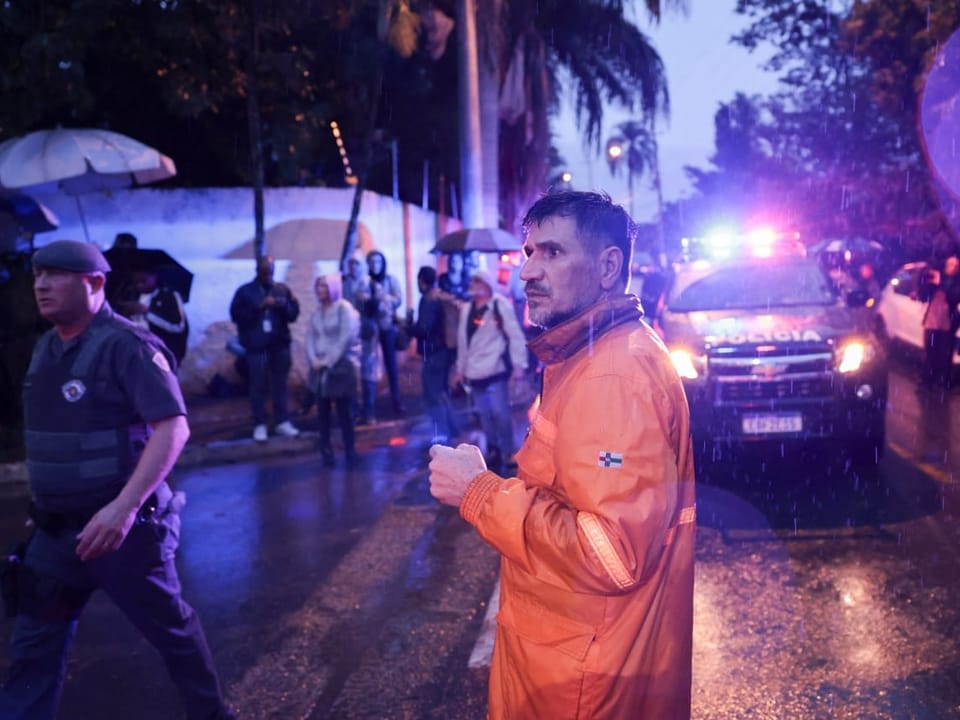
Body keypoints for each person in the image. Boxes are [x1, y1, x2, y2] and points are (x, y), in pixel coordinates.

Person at [428, 192, 696, 719]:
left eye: (551, 253)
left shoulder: (613, 375)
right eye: (528, 252)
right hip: (574, 664)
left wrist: (480, 492)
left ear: (608, 266)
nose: (528, 271)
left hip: (583, 686)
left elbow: (611, 555)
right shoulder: (589, 355)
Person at [0, 240, 234, 720]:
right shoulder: (45, 347)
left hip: (121, 534)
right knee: (30, 653)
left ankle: (211, 715)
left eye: (57, 275)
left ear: (95, 283)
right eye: (38, 275)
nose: (41, 285)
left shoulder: (128, 345)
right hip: (54, 536)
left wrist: (124, 508)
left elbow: (174, 427)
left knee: (173, 634)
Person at [451, 270, 528, 472]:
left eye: (477, 281)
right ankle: (493, 449)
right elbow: (463, 342)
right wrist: (461, 369)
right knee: (484, 413)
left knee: (499, 412)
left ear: (486, 284)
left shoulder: (498, 305)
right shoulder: (467, 309)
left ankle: (509, 450)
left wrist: (519, 365)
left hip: (495, 368)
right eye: (472, 280)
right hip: (475, 372)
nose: (473, 284)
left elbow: (515, 335)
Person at [229, 255, 301, 442]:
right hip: (257, 346)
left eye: (271, 270)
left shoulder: (282, 289)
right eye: (265, 270)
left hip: (279, 344)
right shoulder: (245, 291)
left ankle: (282, 421)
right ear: (258, 270)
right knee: (258, 385)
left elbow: (293, 315)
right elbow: (237, 316)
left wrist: (283, 305)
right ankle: (259, 423)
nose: (268, 273)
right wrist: (260, 307)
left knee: (280, 384)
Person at [305, 273, 361, 467]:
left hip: (340, 368)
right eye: (318, 286)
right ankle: (326, 452)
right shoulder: (317, 312)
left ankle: (350, 451)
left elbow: (345, 338)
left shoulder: (344, 310)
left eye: (324, 286)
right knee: (322, 413)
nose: (320, 290)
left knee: (344, 413)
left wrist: (328, 361)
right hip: (320, 370)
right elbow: (310, 338)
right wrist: (313, 359)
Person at [406, 266, 459, 444]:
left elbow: (424, 329)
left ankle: (441, 434)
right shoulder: (437, 297)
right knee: (441, 392)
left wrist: (408, 327)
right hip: (443, 351)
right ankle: (452, 430)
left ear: (421, 281)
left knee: (433, 394)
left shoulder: (430, 300)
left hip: (436, 353)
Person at [358, 250, 405, 416]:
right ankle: (369, 407)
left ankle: (396, 401)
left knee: (392, 366)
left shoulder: (390, 280)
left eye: (378, 261)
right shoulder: (364, 282)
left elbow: (398, 299)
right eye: (372, 262)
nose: (375, 265)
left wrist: (383, 298)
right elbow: (360, 303)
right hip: (371, 329)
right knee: (369, 366)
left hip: (387, 327)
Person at [128, 269, 189, 366]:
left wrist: (147, 312)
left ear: (154, 276)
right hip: (138, 353)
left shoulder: (169, 295)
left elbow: (178, 327)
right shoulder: (130, 294)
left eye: (142, 280)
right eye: (136, 281)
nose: (139, 284)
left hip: (164, 354)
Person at [919, 253, 960, 390]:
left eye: (955, 266)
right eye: (950, 265)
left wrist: (941, 283)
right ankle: (926, 382)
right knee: (929, 351)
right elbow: (924, 294)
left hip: (948, 322)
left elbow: (955, 295)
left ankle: (942, 382)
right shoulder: (937, 276)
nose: (952, 268)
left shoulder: (956, 281)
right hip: (932, 319)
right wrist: (925, 279)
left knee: (944, 354)